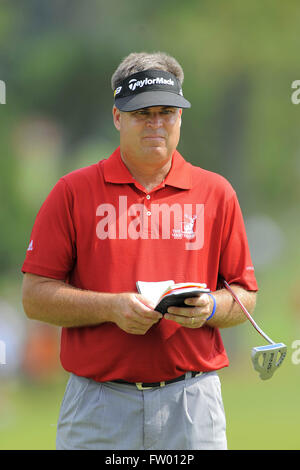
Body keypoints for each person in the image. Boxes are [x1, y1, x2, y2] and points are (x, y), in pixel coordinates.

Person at [21, 51, 258, 450]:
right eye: (142, 113)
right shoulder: (73, 192)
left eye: (167, 111)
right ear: (117, 117)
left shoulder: (216, 193)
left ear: (181, 118)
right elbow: (34, 298)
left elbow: (245, 294)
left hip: (191, 402)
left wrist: (211, 309)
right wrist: (111, 308)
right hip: (99, 404)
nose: (156, 123)